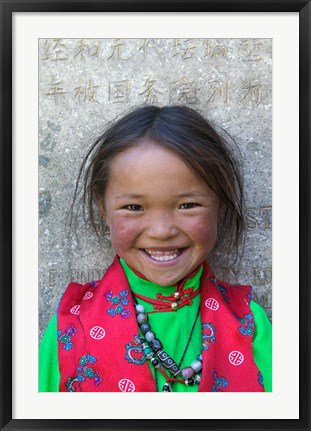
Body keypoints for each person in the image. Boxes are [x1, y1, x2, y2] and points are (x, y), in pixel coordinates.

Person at [39, 105, 272, 392]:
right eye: (134, 207)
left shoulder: (249, 326)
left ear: (220, 207)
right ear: (103, 208)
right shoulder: (70, 328)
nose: (161, 231)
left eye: (188, 205)